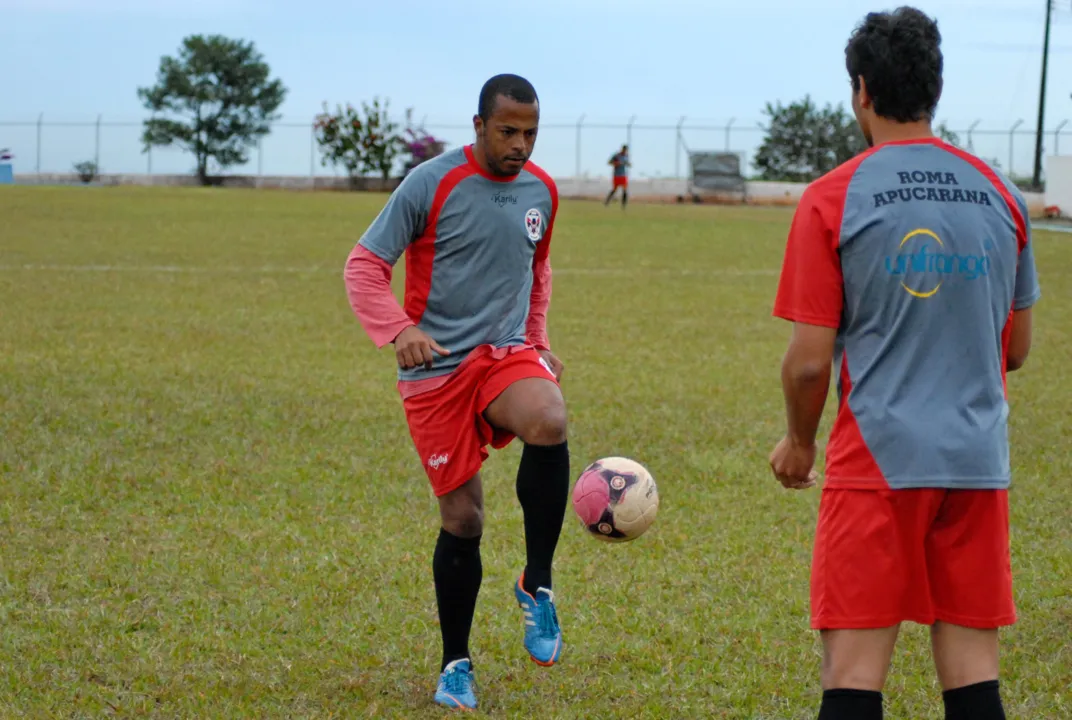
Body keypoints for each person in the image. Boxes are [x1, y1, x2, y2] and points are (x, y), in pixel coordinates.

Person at [767, 7, 1040, 720]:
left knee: (854, 674)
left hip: (878, 464)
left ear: (861, 90)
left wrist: (799, 442)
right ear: (934, 88)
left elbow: (806, 365)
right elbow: (1014, 348)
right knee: (975, 674)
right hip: (978, 460)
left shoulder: (833, 198)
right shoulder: (1002, 196)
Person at [344, 73, 569, 711]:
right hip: (436, 368)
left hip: (504, 353)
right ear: (478, 126)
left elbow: (537, 267)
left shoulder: (542, 191)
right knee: (464, 519)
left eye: (529, 133)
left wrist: (536, 336)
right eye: (507, 131)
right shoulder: (431, 183)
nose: (520, 145)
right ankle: (455, 664)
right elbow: (364, 264)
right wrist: (398, 329)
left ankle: (538, 585)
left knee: (549, 419)